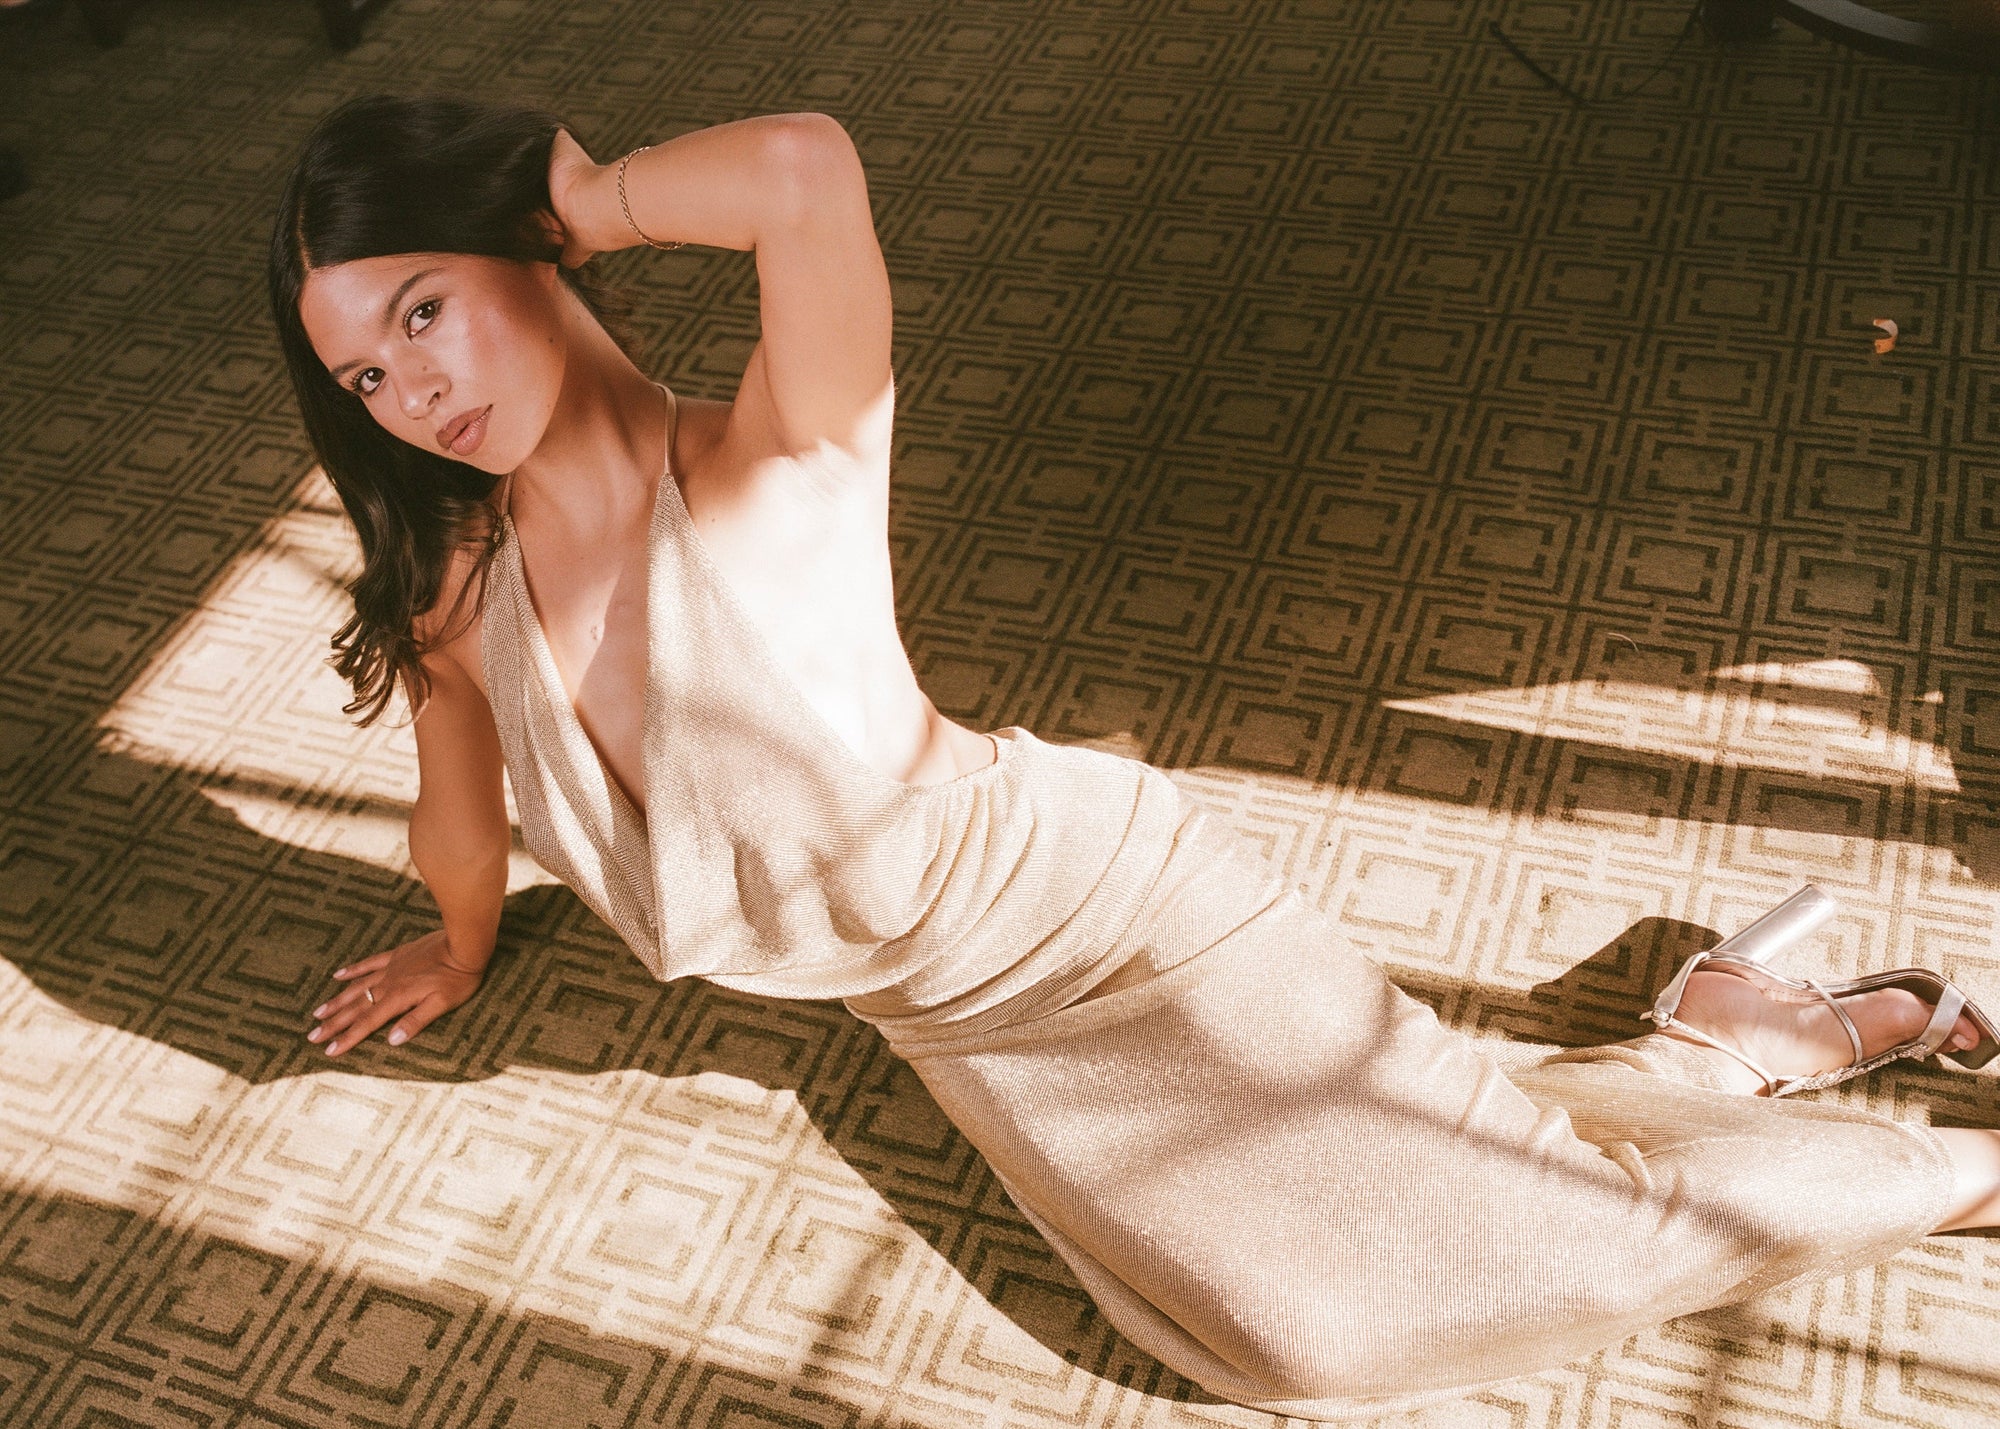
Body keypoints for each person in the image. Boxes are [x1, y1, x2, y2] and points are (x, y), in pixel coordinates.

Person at [269, 94, 2000, 1417]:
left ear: (524, 253)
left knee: (1424, 1298)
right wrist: (461, 937)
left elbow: (802, 167)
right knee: (1256, 1330)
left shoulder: (773, 460)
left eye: (425, 309)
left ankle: (1955, 1167)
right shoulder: (456, 584)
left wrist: (580, 195)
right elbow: (455, 792)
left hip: (1120, 924)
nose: (409, 392)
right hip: (970, 1027)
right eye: (361, 372)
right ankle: (1716, 1045)